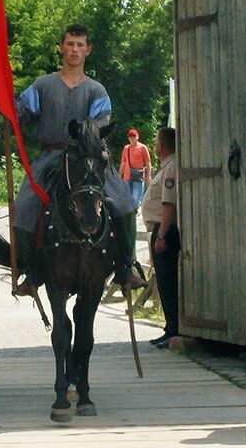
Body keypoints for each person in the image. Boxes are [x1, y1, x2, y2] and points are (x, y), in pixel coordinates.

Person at [11, 23, 144, 296]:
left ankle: (125, 266)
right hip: (50, 156)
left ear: (88, 50)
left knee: (124, 202)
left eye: (80, 44)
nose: (75, 49)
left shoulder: (97, 91)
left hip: (88, 158)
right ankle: (31, 271)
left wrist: (84, 142)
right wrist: (8, 105)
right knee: (24, 204)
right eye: (70, 44)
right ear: (62, 47)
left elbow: (99, 125)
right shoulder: (43, 85)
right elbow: (21, 113)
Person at [140, 127, 178, 348]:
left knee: (168, 280)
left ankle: (174, 328)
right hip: (160, 229)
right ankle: (169, 327)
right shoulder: (165, 167)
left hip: (166, 230)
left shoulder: (171, 167)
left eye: (156, 142)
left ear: (162, 145)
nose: (154, 146)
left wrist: (162, 235)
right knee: (162, 281)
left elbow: (168, 204)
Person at [119, 128, 151, 208]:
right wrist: (119, 175)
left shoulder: (143, 148)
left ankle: (135, 216)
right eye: (130, 136)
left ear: (137, 137)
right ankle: (131, 217)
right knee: (127, 199)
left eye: (133, 136)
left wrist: (148, 176)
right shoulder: (126, 148)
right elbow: (123, 162)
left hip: (138, 176)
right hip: (127, 177)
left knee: (136, 199)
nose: (132, 138)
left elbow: (148, 162)